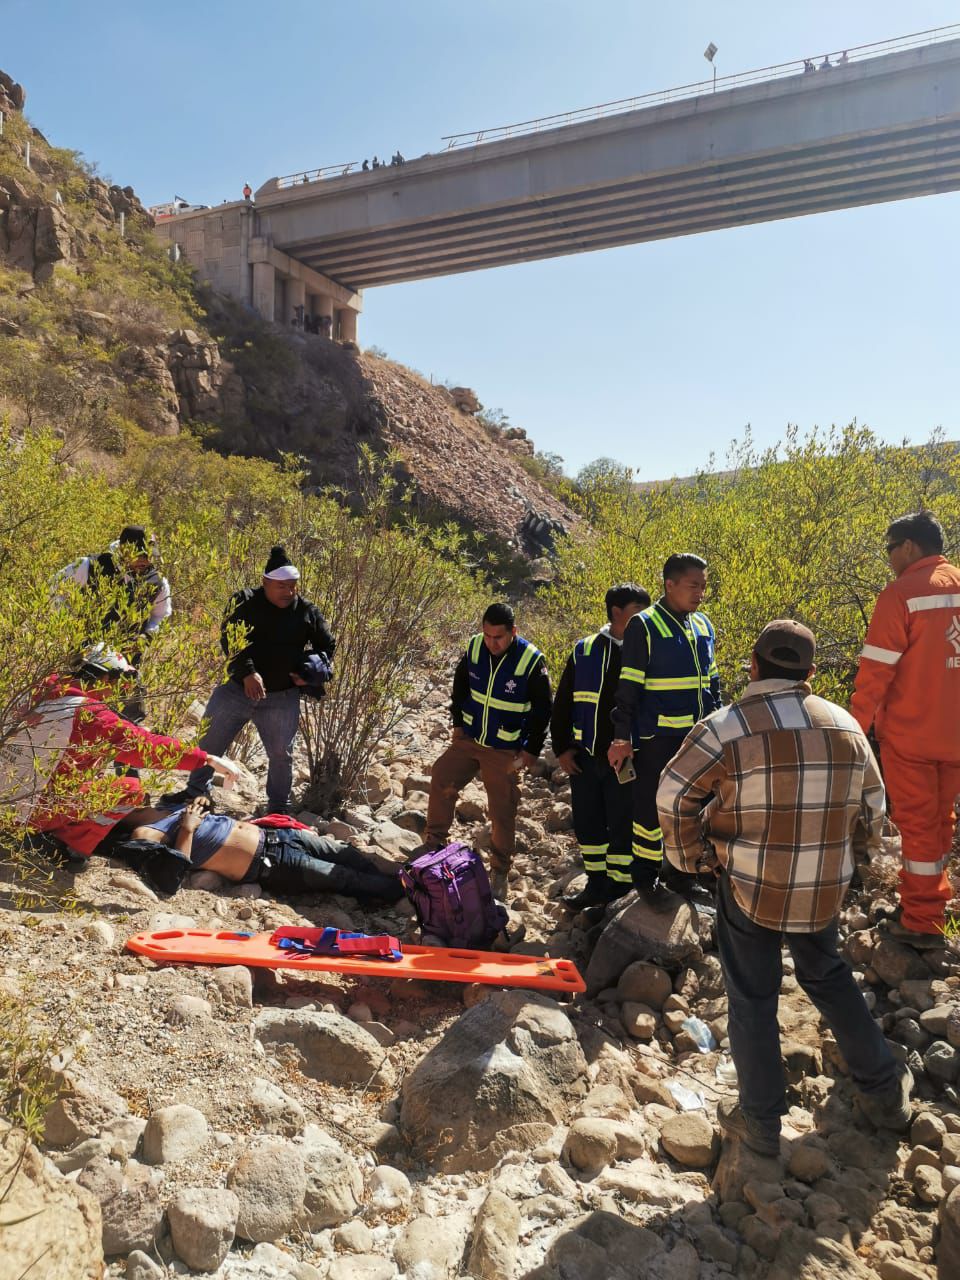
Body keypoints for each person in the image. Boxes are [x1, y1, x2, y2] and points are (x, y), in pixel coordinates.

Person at [657, 620, 912, 1156]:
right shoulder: (844, 725)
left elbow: (673, 794)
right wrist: (849, 860)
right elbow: (873, 809)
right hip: (822, 889)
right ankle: (885, 1094)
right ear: (811, 673)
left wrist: (691, 857)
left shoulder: (725, 727)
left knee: (752, 995)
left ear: (753, 664)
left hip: (749, 885)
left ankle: (762, 1122)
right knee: (829, 977)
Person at [851, 511, 960, 945]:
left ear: (909, 547)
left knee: (916, 824)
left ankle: (922, 920)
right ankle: (931, 901)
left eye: (890, 550)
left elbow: (875, 673)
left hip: (912, 736)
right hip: (955, 736)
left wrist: (852, 730)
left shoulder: (902, 594)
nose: (890, 559)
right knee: (941, 821)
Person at [8, 652, 237, 856]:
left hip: (7, 796)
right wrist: (205, 758)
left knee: (88, 769)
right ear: (105, 679)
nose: (117, 691)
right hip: (26, 814)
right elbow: (145, 747)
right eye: (118, 683)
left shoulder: (39, 689)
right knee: (130, 790)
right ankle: (67, 847)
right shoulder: (90, 714)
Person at [171, 546, 335, 816]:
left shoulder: (306, 611)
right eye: (281, 586)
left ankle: (278, 808)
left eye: (292, 586)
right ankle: (195, 791)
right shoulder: (244, 601)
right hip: (236, 691)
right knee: (209, 743)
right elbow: (229, 637)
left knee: (282, 755)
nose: (288, 592)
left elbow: (327, 646)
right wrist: (247, 671)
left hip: (281, 697)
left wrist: (309, 673)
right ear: (265, 582)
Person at [608, 554, 720, 898]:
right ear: (669, 585)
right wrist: (621, 738)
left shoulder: (703, 625)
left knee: (694, 808)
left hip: (698, 739)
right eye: (693, 585)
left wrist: (720, 728)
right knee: (650, 809)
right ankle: (645, 878)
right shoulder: (645, 624)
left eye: (703, 585)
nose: (700, 592)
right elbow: (628, 687)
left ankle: (683, 876)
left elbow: (712, 683)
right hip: (657, 738)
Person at [423, 603, 551, 893]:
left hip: (504, 749)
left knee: (502, 809)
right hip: (469, 740)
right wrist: (457, 725)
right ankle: (433, 846)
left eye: (499, 638)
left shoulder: (531, 661)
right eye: (488, 635)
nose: (492, 643)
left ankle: (500, 870)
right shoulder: (475, 648)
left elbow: (543, 710)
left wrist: (530, 750)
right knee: (443, 776)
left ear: (513, 632)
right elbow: (460, 687)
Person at [551, 583, 650, 909]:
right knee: (589, 822)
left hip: (627, 760)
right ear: (617, 613)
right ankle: (596, 884)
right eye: (638, 612)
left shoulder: (649, 651)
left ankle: (620, 890)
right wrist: (562, 748)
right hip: (586, 757)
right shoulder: (585, 650)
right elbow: (564, 701)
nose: (645, 620)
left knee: (623, 823)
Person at [107, 796, 403, 903]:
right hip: (271, 864)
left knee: (351, 856)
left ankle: (419, 878)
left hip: (279, 836)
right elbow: (171, 875)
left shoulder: (166, 805)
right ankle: (412, 895)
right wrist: (187, 827)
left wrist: (202, 804)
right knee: (346, 878)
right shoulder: (144, 833)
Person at [55, 525, 172, 724]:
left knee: (127, 719)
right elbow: (55, 591)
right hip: (82, 658)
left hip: (125, 663)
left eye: (148, 556)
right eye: (139, 555)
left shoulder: (157, 583)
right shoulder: (90, 566)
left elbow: (161, 616)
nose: (144, 561)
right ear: (124, 551)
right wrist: (72, 628)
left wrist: (147, 636)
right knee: (70, 713)